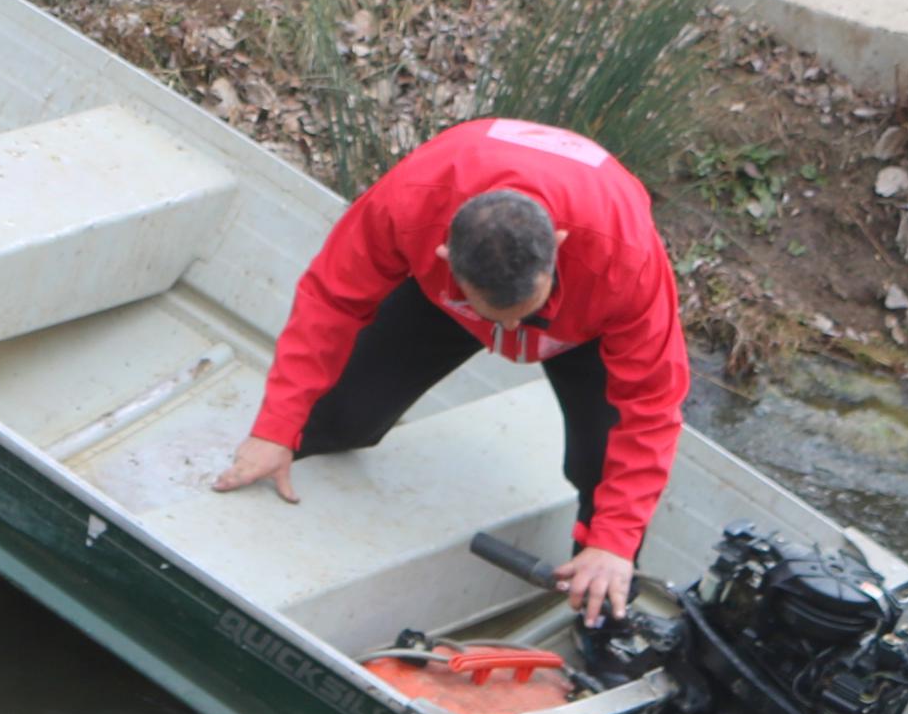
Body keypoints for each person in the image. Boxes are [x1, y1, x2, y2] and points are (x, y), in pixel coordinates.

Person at [211, 116, 688, 625]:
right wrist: (275, 428)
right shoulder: (412, 202)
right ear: (442, 253)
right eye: (495, 317)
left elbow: (652, 406)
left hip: (581, 323)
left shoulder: (625, 259)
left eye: (521, 314)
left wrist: (614, 541)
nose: (509, 329)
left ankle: (603, 609)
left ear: (560, 244)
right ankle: (274, 544)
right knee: (335, 417)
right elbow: (330, 301)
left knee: (599, 465)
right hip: (448, 302)